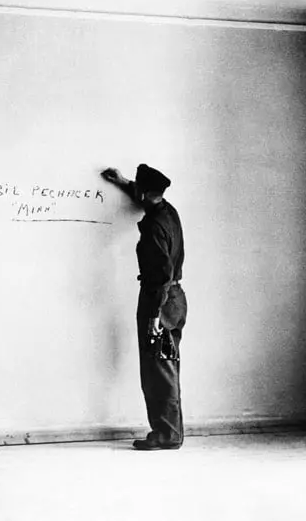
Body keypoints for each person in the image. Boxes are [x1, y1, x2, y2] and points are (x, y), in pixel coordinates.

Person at [101, 164, 187, 450]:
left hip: (158, 299)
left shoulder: (152, 226)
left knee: (158, 369)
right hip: (175, 298)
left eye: (137, 186)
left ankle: (167, 434)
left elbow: (160, 276)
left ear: (145, 191)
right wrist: (124, 182)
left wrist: (153, 316)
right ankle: (169, 431)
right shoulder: (166, 210)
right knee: (166, 365)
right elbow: (144, 197)